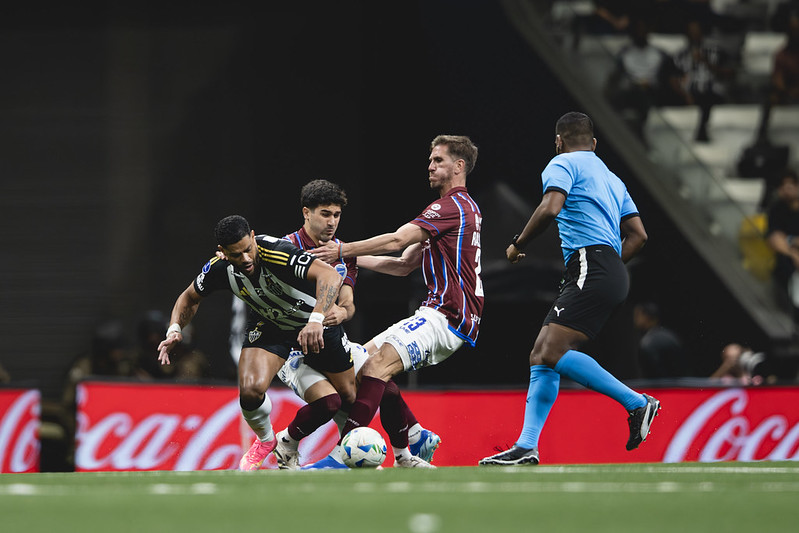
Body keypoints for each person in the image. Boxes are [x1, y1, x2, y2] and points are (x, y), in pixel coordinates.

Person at [479, 112, 658, 466]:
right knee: (541, 354)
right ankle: (526, 445)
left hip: (590, 264)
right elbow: (639, 236)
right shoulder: (612, 178)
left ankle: (637, 403)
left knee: (550, 351)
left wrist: (518, 243)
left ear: (559, 141)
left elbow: (550, 208)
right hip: (608, 268)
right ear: (594, 143)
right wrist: (610, 267)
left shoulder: (562, 163)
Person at [311, 134, 484, 468]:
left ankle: (340, 457)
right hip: (440, 312)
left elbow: (396, 241)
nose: (430, 166)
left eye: (438, 160)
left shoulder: (450, 207)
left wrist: (342, 249)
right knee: (360, 362)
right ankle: (415, 439)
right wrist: (346, 259)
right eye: (430, 160)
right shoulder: (461, 211)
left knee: (376, 366)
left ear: (459, 166)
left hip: (447, 315)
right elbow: (403, 264)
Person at [157, 214, 353, 471]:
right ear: (223, 251)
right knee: (250, 391)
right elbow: (189, 297)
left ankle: (348, 453)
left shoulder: (278, 252)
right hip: (270, 324)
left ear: (252, 237)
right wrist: (174, 329)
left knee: (346, 397)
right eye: (236, 254)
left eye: (248, 249)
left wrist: (316, 320)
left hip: (315, 325)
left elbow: (329, 276)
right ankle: (265, 440)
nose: (246, 259)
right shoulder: (219, 268)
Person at [274, 178, 440, 469]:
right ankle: (287, 443)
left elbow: (349, 304)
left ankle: (404, 457)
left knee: (386, 386)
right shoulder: (284, 248)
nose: (332, 222)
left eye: (337, 215)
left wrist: (342, 312)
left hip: (333, 342)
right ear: (306, 213)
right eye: (325, 214)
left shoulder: (343, 253)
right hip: (293, 349)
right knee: (329, 403)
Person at [604, 16, 682, 141]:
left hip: (652, 91)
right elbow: (617, 75)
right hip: (631, 90)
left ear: (647, 32)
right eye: (638, 30)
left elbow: (671, 74)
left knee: (645, 96)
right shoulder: (625, 53)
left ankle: (640, 130)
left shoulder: (659, 53)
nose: (641, 33)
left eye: (643, 30)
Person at [673, 17, 735, 142]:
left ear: (702, 32)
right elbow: (673, 78)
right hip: (687, 93)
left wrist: (706, 62)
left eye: (697, 31)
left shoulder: (716, 52)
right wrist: (684, 94)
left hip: (711, 92)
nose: (694, 34)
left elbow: (730, 73)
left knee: (707, 96)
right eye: (691, 31)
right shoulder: (679, 55)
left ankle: (702, 132)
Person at [766, 168, 799, 321]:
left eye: (790, 186)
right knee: (783, 264)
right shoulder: (777, 209)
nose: (786, 190)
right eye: (782, 187)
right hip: (788, 260)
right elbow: (775, 238)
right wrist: (793, 253)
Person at [633, 301, 688, 379]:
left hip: (661, 385)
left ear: (647, 316)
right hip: (678, 383)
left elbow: (653, 374)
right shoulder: (670, 336)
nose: (635, 319)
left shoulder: (648, 342)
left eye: (638, 315)